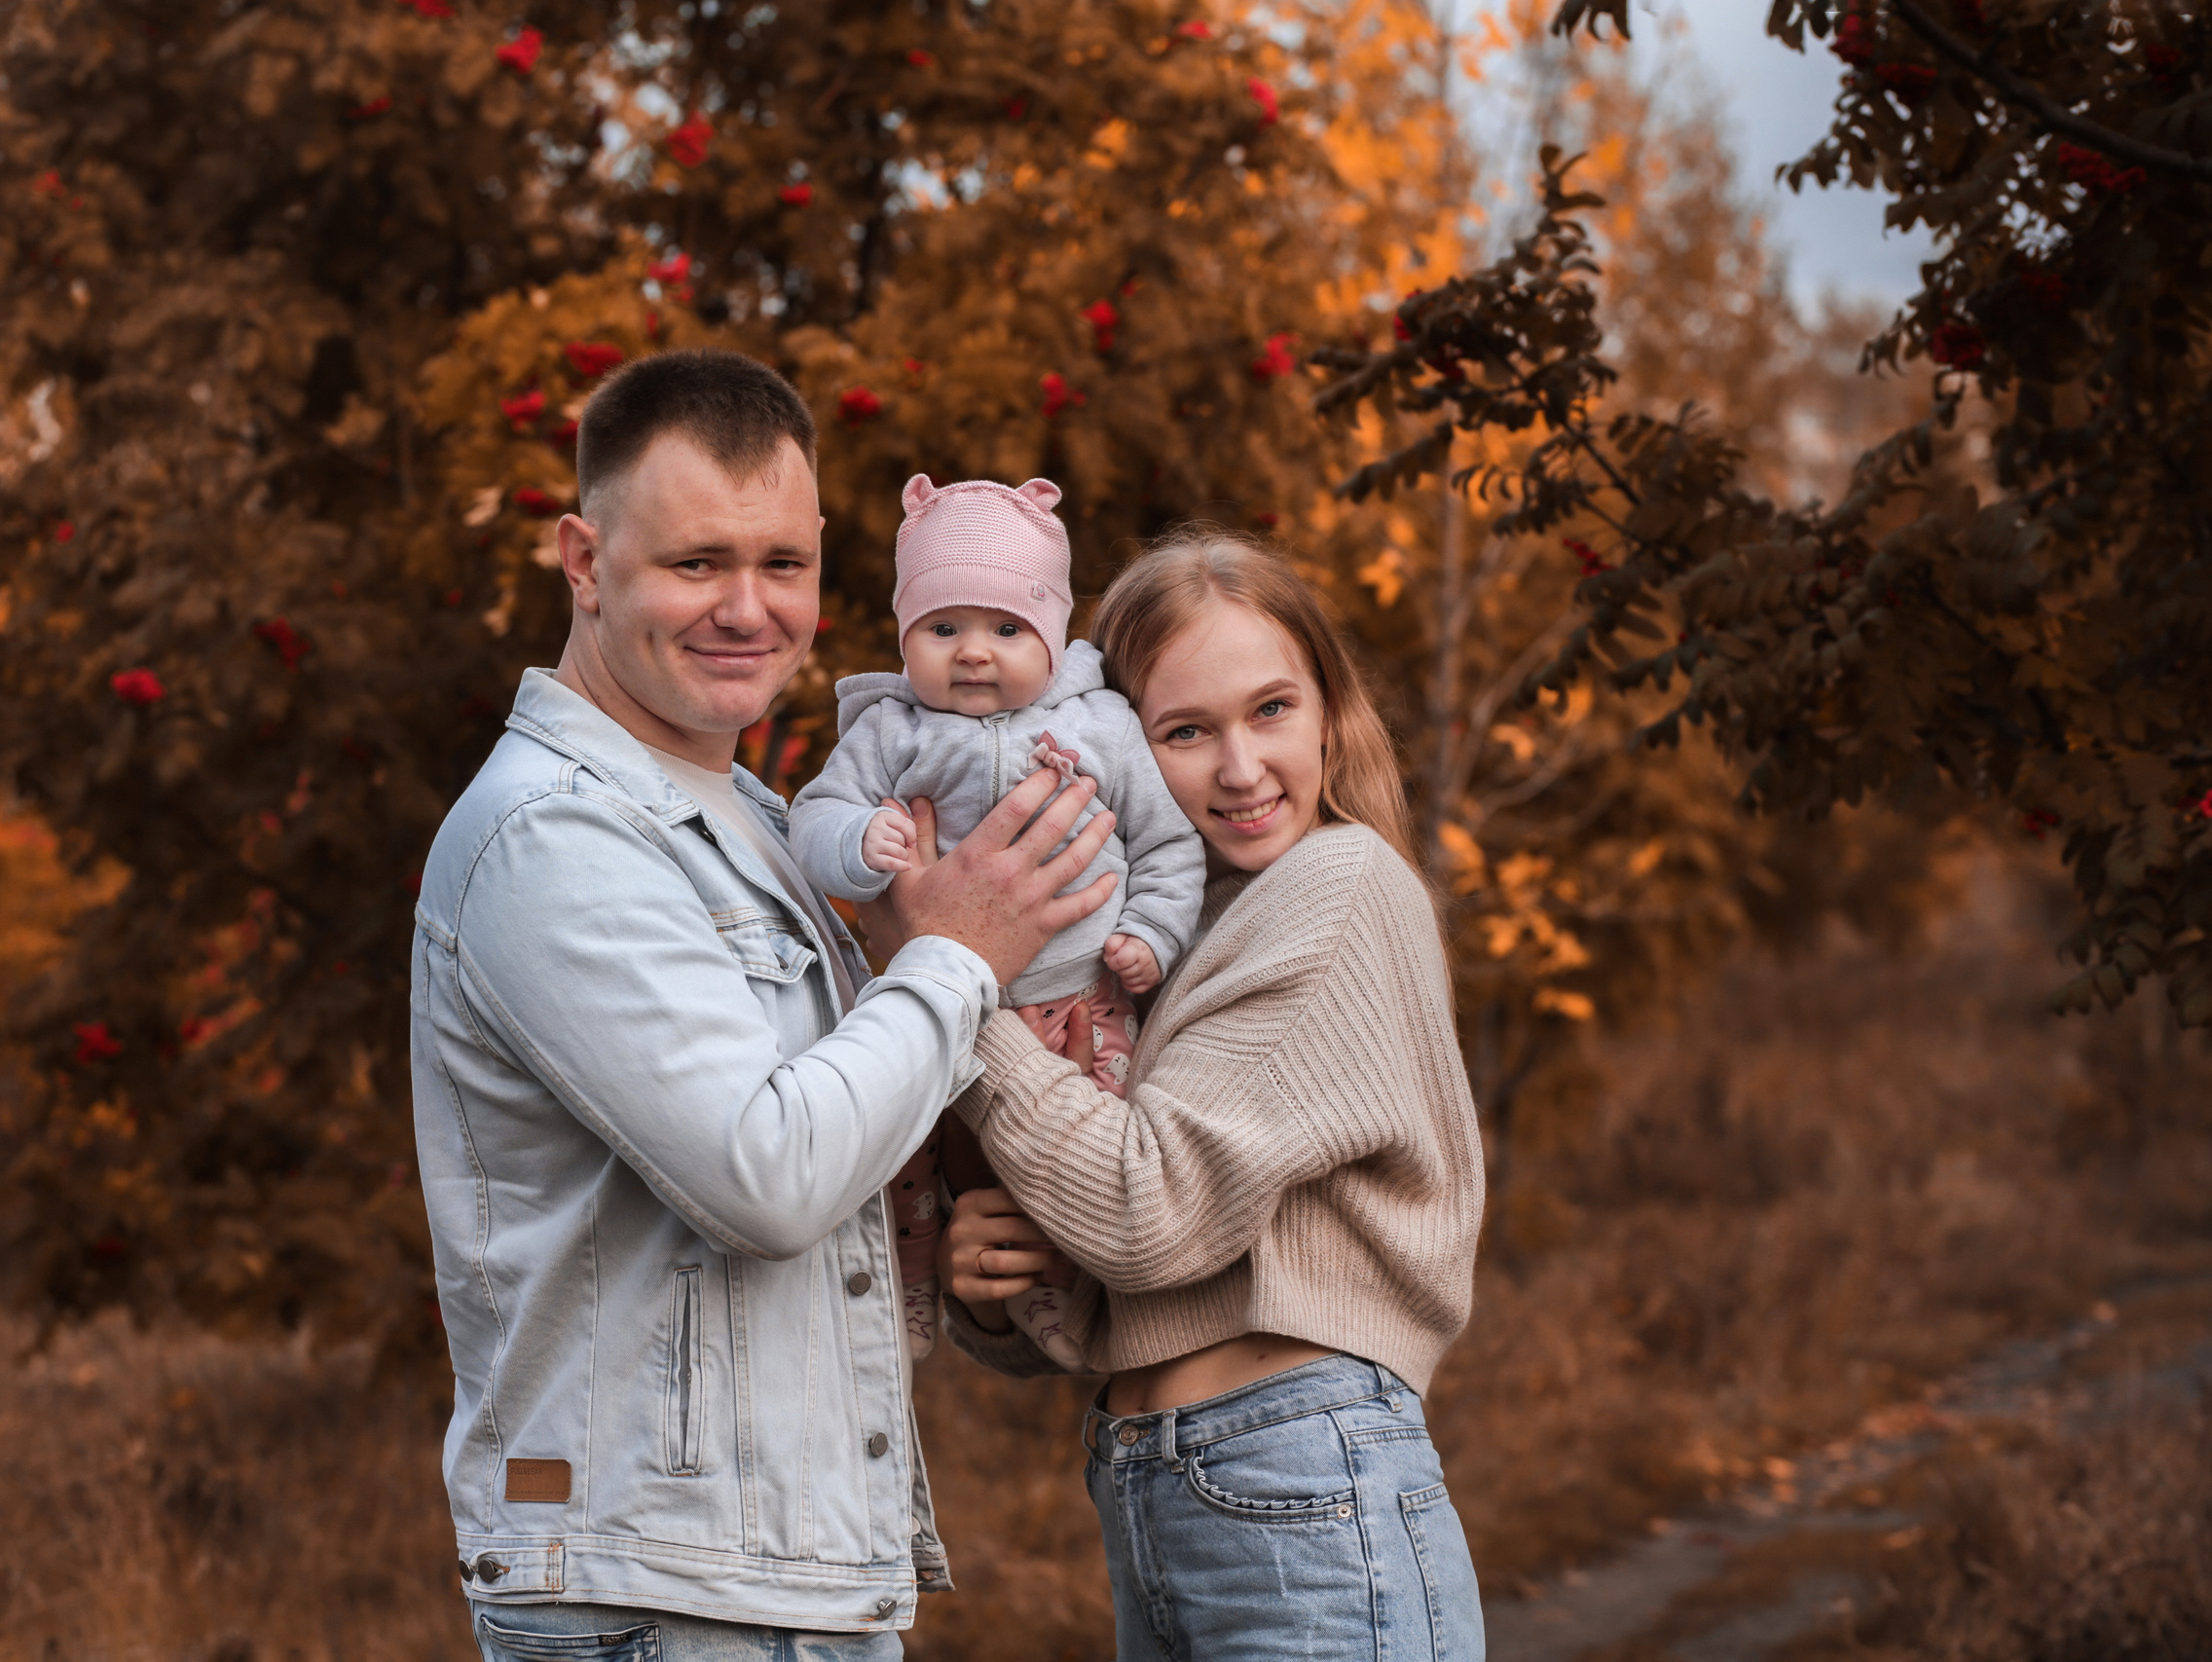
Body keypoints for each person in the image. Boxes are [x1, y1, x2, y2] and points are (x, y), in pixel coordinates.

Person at [409, 350, 1118, 1662]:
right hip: (667, 1594)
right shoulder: (555, 838)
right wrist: (954, 958)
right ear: (583, 558)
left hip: (772, 1579)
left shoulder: (768, 823)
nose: (748, 608)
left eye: (782, 564)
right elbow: (767, 1172)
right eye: (696, 562)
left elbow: (851, 1150)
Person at [930, 531, 1490, 1662]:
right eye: (1185, 732)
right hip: (1162, 1484)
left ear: (1329, 709)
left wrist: (940, 977)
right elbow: (1109, 1286)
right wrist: (996, 1286)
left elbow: (1150, 1212)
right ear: (1113, 748)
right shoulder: (1162, 944)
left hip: (1301, 1467)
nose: (1240, 769)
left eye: (1271, 710)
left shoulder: (1336, 887)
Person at [789, 473, 1202, 1369]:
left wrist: (1154, 934)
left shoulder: (1102, 728)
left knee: (1081, 1159)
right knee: (900, 1159)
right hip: (927, 1000)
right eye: (944, 629)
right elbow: (811, 818)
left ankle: (1059, 1295)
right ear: (907, 640)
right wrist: (861, 839)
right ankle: (905, 1290)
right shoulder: (889, 731)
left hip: (1076, 1006)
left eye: (1007, 629)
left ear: (1052, 636)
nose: (974, 652)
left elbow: (1169, 846)